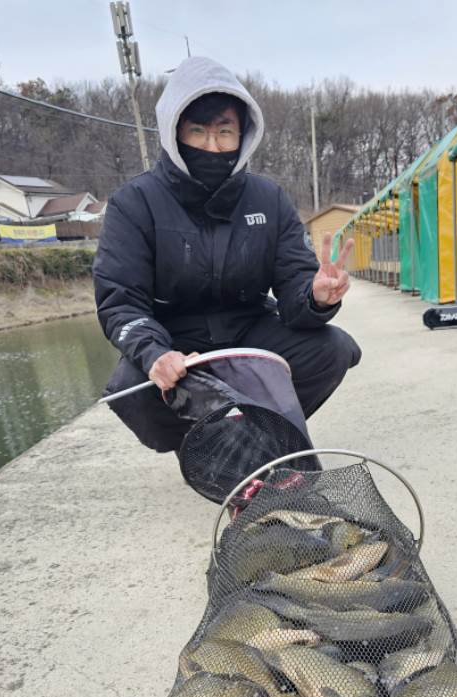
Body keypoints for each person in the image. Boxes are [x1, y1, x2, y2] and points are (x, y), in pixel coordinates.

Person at [94, 56, 360, 457]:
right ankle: (202, 449)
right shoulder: (134, 203)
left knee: (334, 348)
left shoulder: (268, 199)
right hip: (173, 337)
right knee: (131, 388)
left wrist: (316, 296)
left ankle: (264, 435)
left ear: (243, 134)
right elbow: (120, 301)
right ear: (174, 132)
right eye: (198, 132)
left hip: (249, 326)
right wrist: (155, 354)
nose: (212, 146)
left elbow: (294, 288)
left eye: (224, 132)